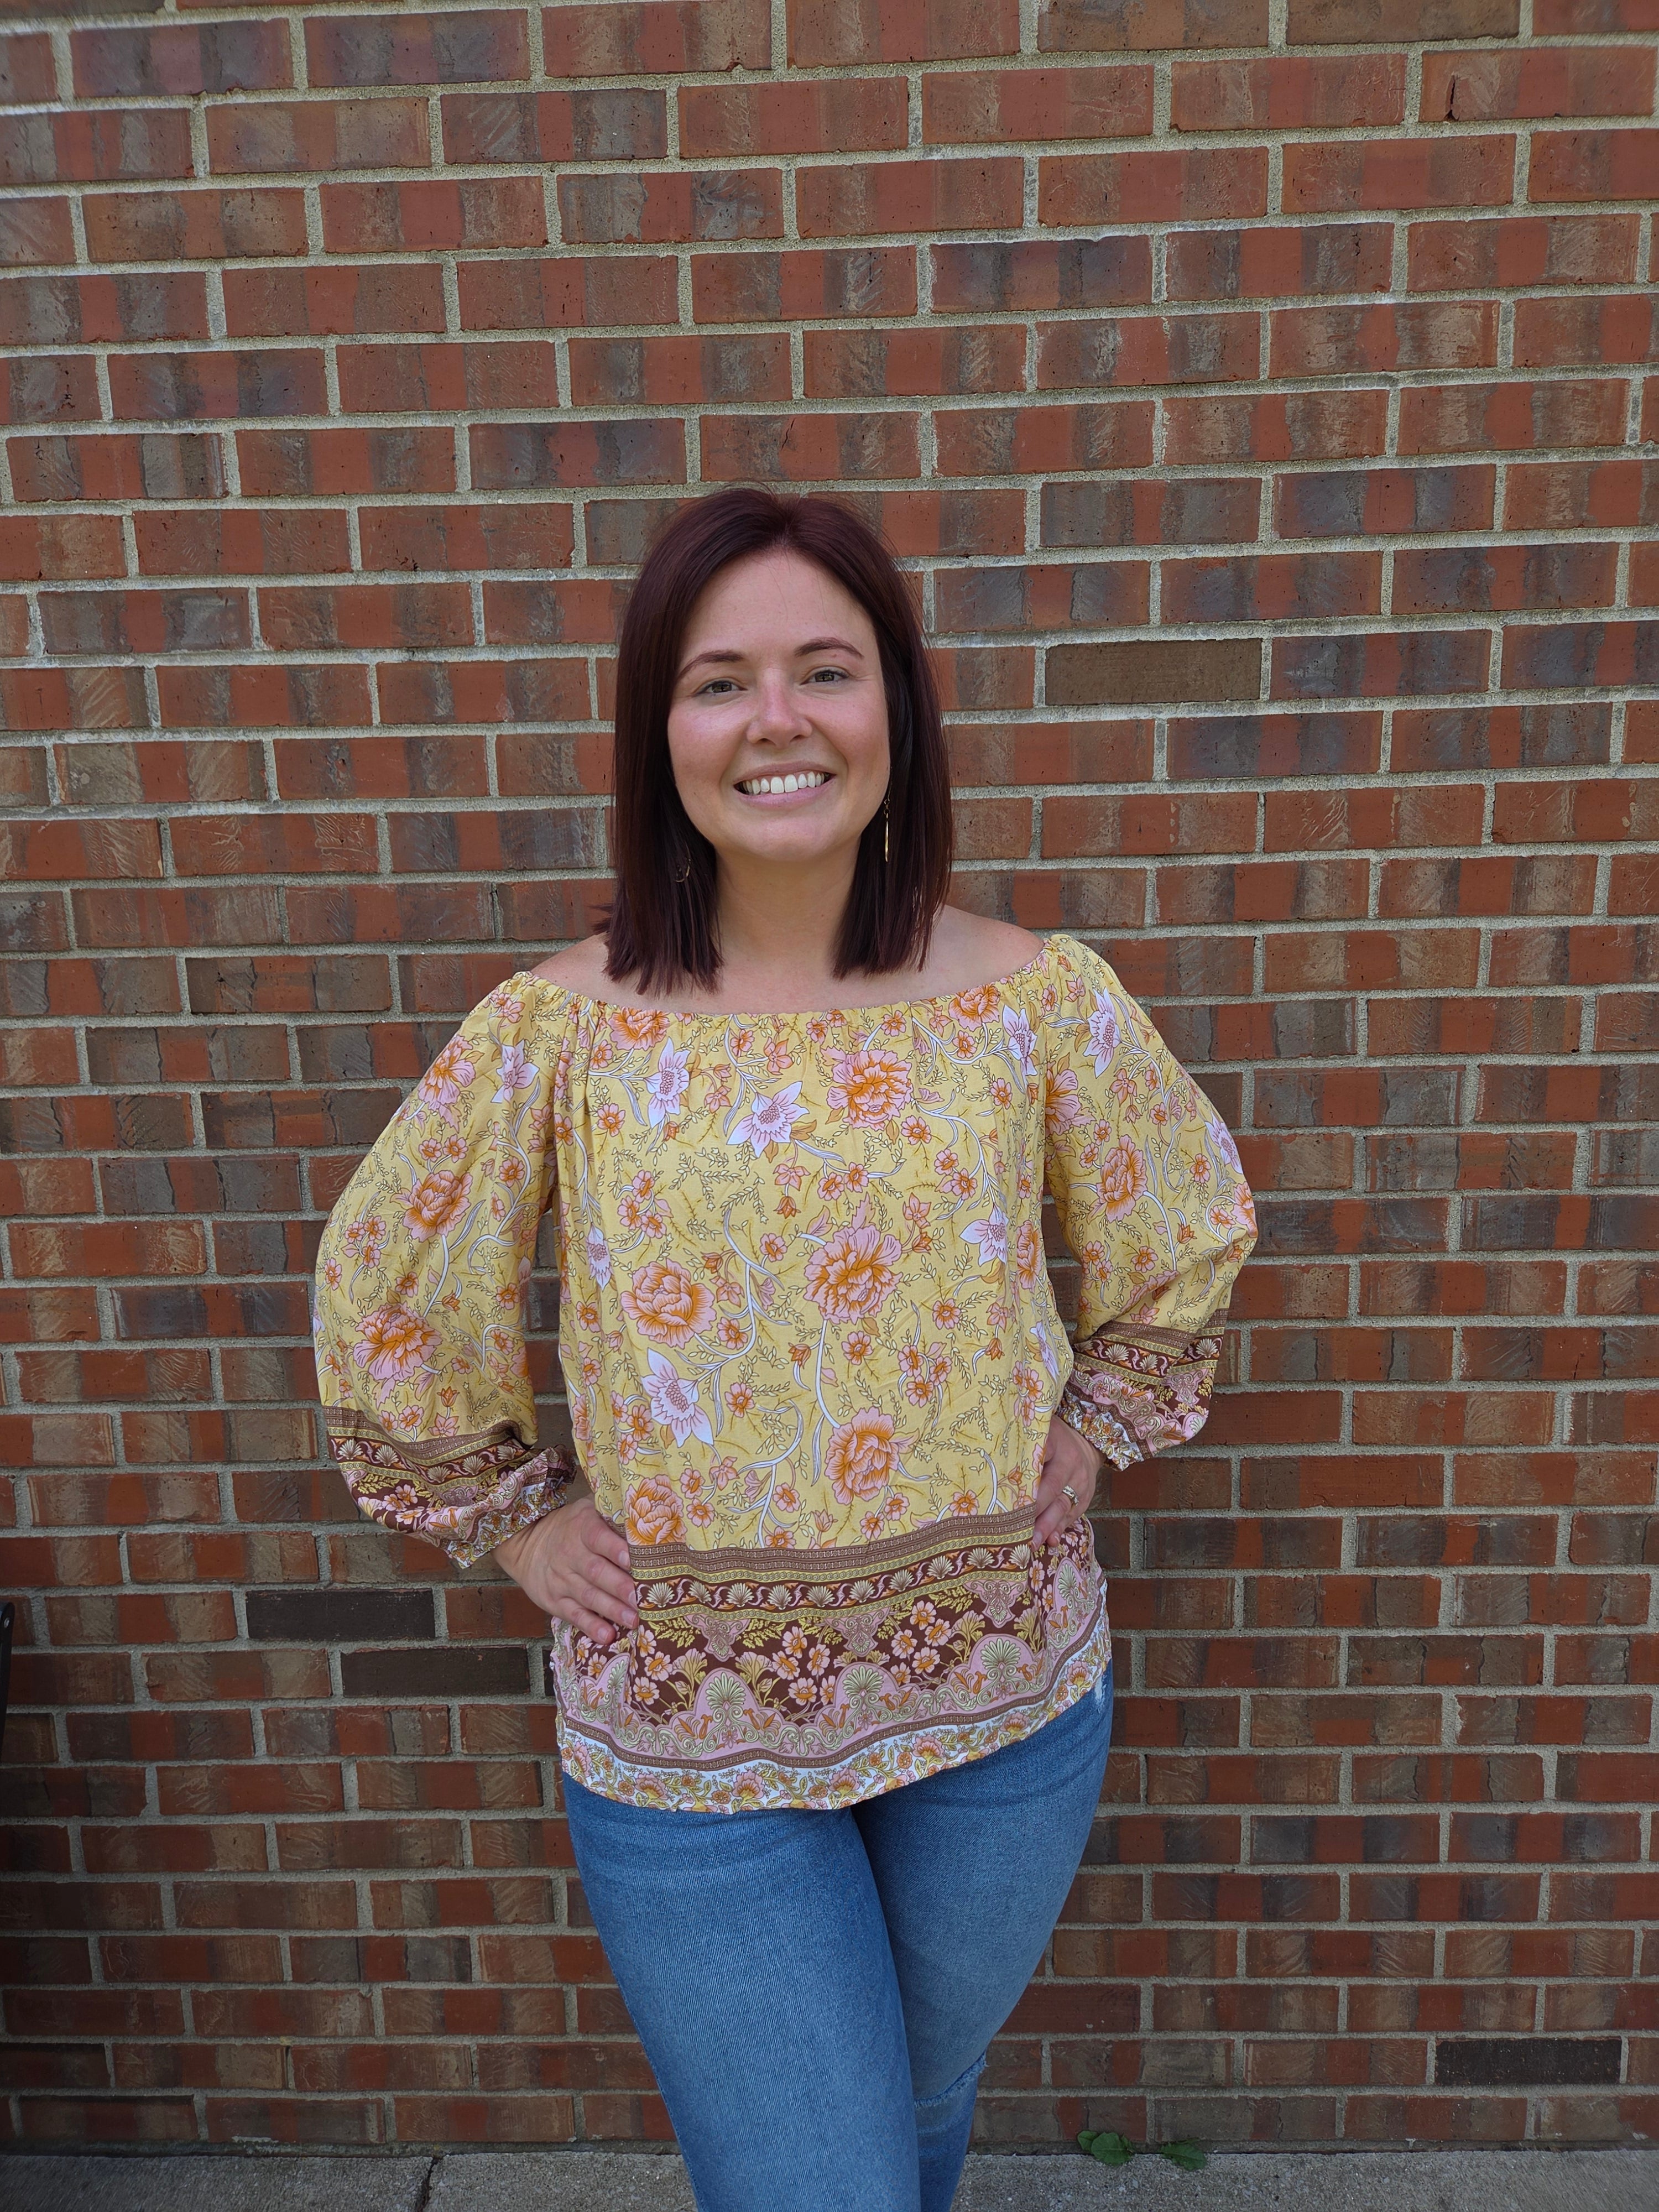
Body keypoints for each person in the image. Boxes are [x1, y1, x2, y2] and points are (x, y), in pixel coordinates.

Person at [312, 487, 1256, 2210]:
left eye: (824, 669)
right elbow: (388, 1280)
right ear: (658, 730)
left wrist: (1105, 1415)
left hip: (1004, 1705)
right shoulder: (563, 1029)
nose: (777, 722)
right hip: (693, 1741)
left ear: (894, 701)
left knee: (913, 2112)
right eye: (719, 678)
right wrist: (512, 1516)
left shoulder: (1033, 1001)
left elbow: (1179, 1220)